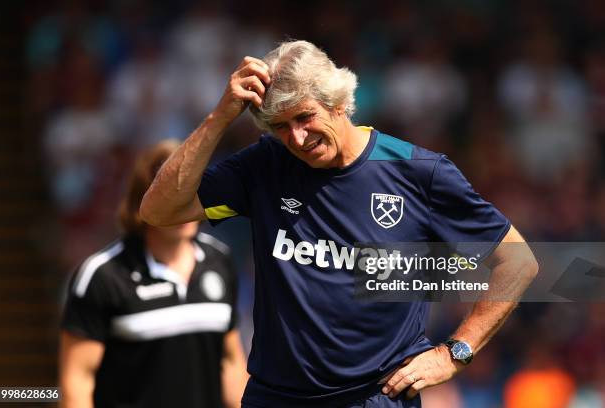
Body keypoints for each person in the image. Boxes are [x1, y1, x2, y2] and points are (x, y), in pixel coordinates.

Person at [140, 41, 539, 407]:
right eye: (280, 126)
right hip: (274, 398)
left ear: (337, 102)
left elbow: (517, 262)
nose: (296, 138)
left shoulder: (418, 173)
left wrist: (456, 352)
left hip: (377, 397)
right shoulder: (264, 165)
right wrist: (219, 117)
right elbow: (160, 212)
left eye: (304, 117)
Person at [59, 139, 249, 408]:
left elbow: (231, 362)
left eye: (191, 192)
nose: (181, 207)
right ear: (143, 200)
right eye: (171, 196)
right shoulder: (103, 275)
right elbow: (77, 381)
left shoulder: (220, 261)